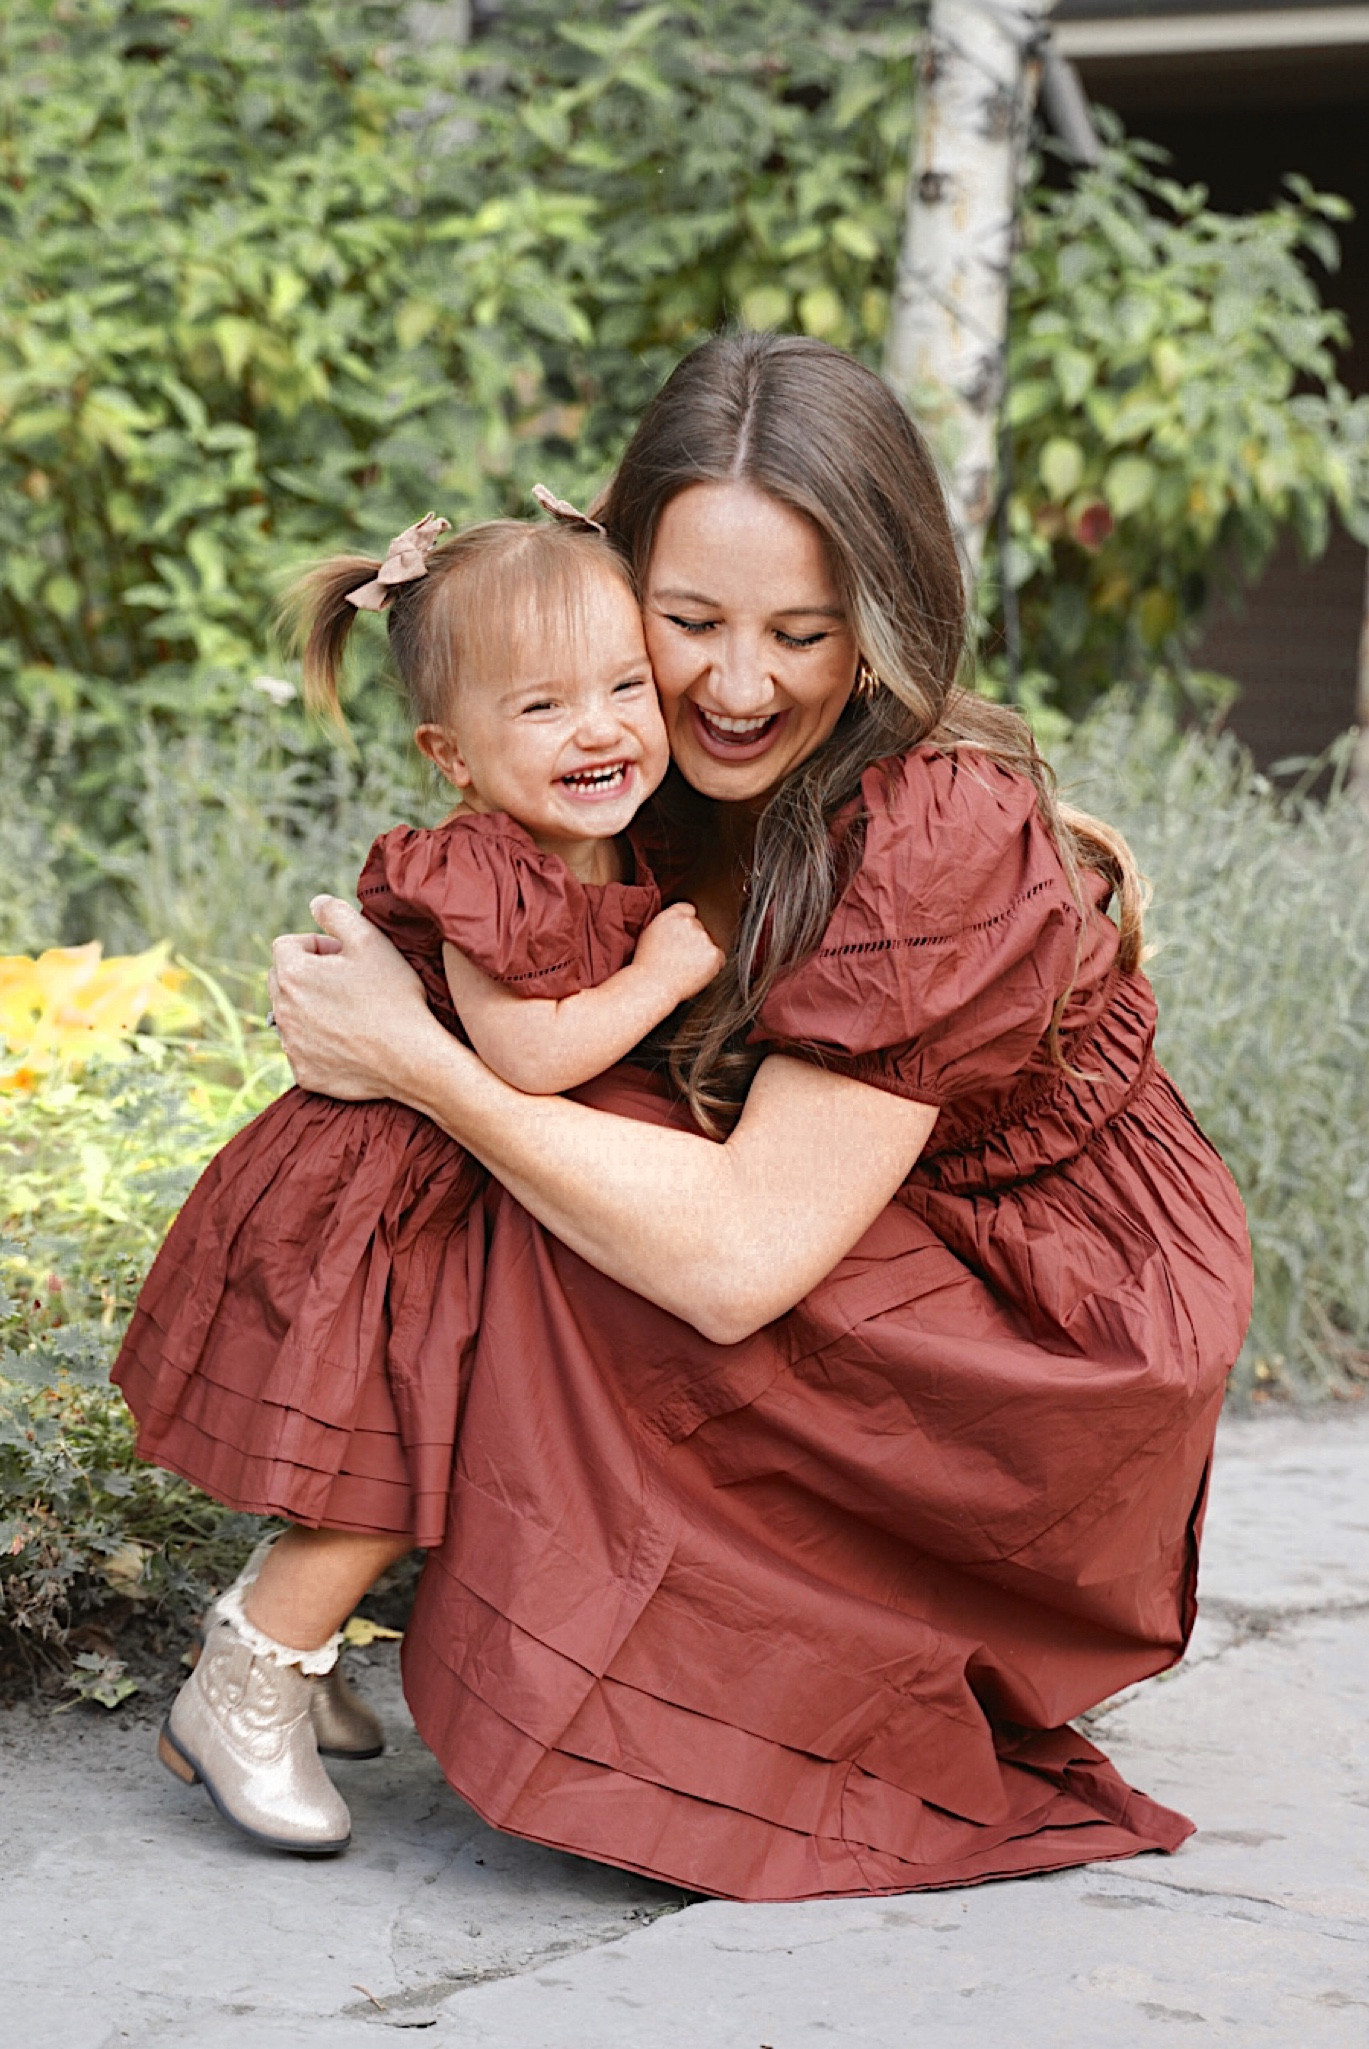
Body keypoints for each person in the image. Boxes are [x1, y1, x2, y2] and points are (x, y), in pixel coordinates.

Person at [158, 331, 1252, 1901]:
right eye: (687, 624)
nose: (738, 686)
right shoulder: (634, 741)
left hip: (1045, 1318)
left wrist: (422, 1062)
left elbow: (736, 1257)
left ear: (884, 621)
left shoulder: (925, 825)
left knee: (520, 1182)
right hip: (855, 1214)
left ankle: (274, 1631)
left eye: (802, 633)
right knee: (483, 1158)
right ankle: (309, 1617)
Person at [112, 502, 722, 1853]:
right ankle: (245, 1678)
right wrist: (667, 971)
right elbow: (528, 1054)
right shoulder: (480, 871)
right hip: (389, 1203)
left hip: (456, 1193)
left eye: (626, 686)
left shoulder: (600, 840)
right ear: (451, 754)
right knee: (392, 1458)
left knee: (410, 1446)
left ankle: (296, 1650)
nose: (602, 728)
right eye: (545, 706)